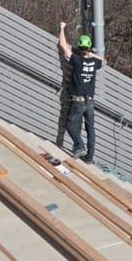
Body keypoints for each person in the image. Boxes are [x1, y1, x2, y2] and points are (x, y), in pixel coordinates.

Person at [56, 20, 103, 161]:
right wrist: (91, 55)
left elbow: (63, 45)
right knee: (91, 129)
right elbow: (103, 60)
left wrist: (62, 28)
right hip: (90, 101)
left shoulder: (76, 60)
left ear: (79, 47)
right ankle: (89, 157)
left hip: (77, 101)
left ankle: (79, 145)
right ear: (89, 48)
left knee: (70, 124)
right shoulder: (94, 63)